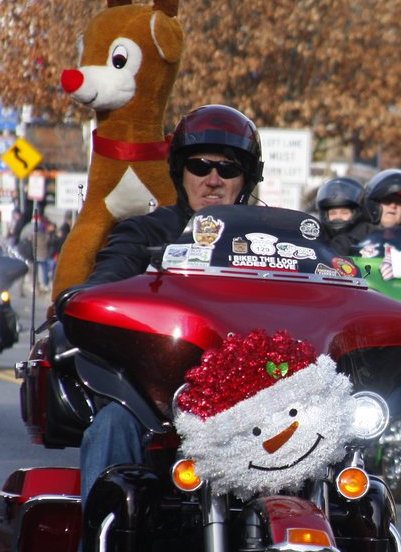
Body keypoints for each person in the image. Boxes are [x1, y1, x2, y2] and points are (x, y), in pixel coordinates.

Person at [74, 104, 264, 506]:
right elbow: (107, 280)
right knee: (113, 425)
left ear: (245, 178)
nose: (212, 180)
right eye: (199, 166)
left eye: (227, 169)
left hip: (254, 393)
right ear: (180, 172)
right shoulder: (145, 231)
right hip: (161, 393)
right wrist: (86, 297)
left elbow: (323, 284)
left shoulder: (270, 243)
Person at [315, 176, 373, 255]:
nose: (338, 217)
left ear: (358, 212)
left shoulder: (370, 235)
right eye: (332, 213)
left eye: (345, 212)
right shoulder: (318, 236)